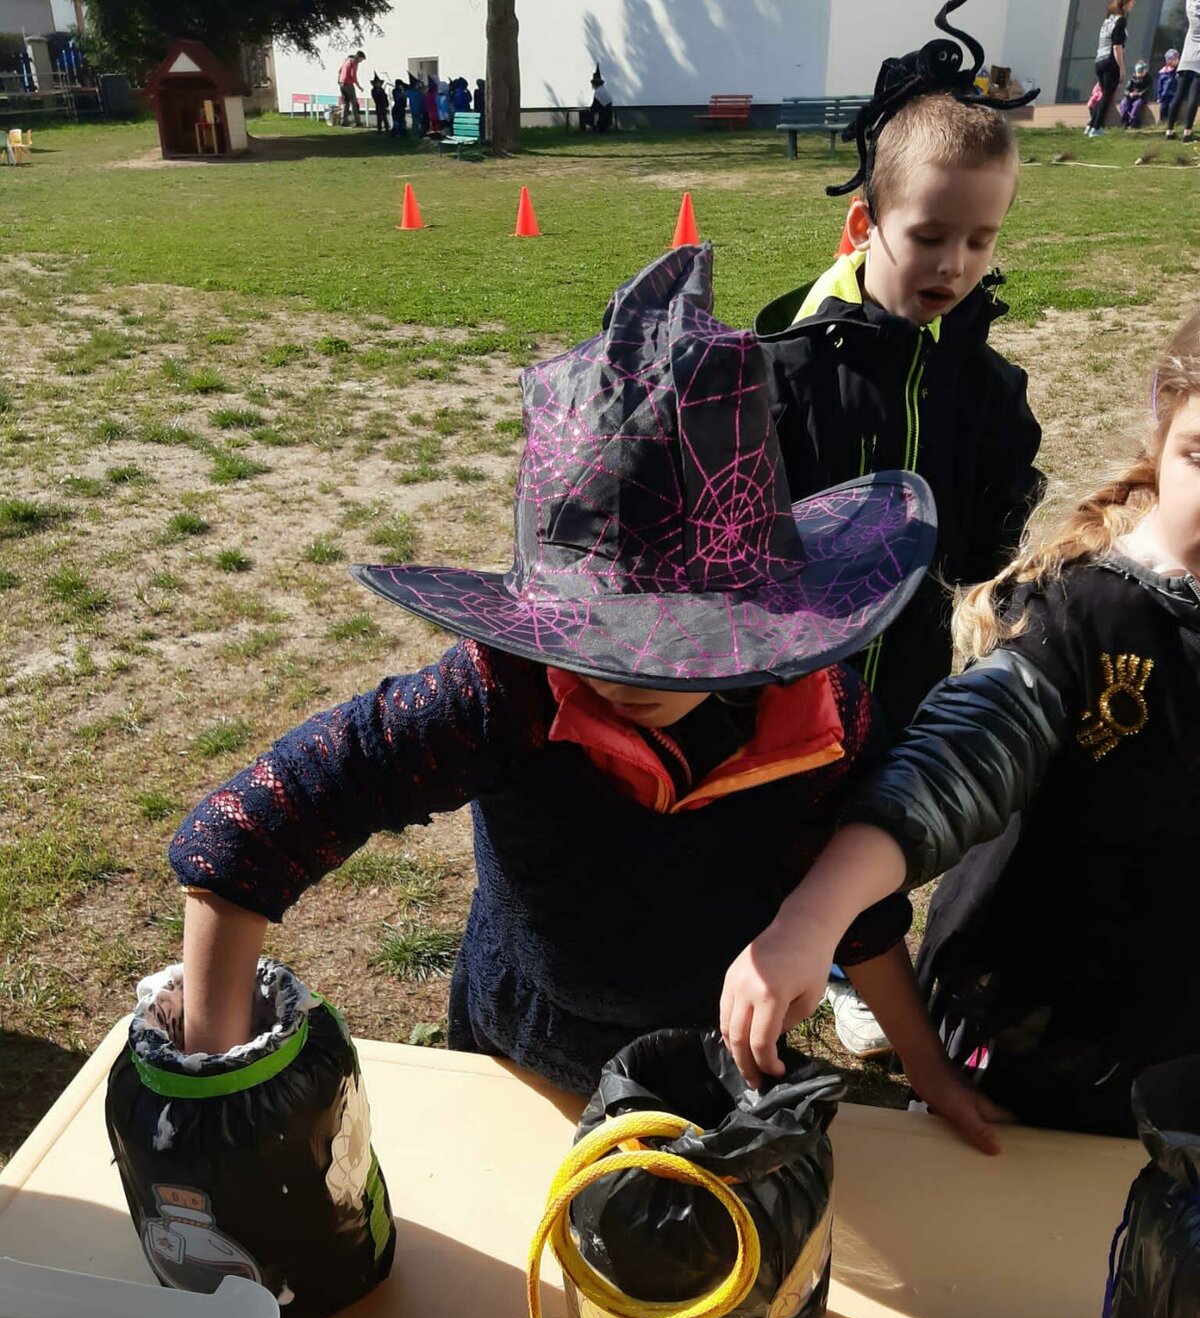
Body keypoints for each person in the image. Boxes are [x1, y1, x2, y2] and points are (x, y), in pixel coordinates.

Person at [167, 246, 935, 1103]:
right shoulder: (503, 692)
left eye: (673, 640)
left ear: (756, 617)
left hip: (709, 1071)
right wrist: (213, 1082)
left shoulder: (823, 724)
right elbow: (251, 830)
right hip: (519, 1059)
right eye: (589, 634)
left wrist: (930, 1071)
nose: (621, 672)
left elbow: (860, 913)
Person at [721, 306, 1200, 1144]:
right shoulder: (1081, 616)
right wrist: (811, 918)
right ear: (1163, 433)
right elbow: (957, 757)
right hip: (1031, 1036)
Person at [754, 0, 1044, 1058]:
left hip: (909, 671)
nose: (955, 262)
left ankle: (852, 964)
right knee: (762, 823)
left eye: (980, 238)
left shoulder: (992, 390)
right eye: (929, 235)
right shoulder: (784, 372)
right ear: (864, 224)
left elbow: (994, 543)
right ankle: (746, 946)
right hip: (784, 676)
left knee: (878, 820)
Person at [1087, 0, 1134, 137]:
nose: (1133, 5)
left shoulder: (1108, 20)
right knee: (1107, 96)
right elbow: (1117, 46)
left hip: (1099, 61)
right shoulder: (1120, 21)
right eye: (1131, 3)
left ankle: (1091, 125)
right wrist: (1121, 68)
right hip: (1110, 62)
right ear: (1124, 4)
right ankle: (1096, 128)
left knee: (1104, 95)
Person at [1165, 0, 1200, 140]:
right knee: (1194, 96)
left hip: (1185, 60)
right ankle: (1187, 131)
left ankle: (1169, 130)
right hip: (1198, 62)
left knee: (1178, 95)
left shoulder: (1191, 8)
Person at [580, 65, 615, 132]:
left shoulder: (598, 92)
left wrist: (588, 109)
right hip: (607, 116)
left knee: (583, 114)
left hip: (601, 117)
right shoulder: (604, 90)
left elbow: (595, 106)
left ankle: (583, 130)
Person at [338, 50, 366, 128]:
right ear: (359, 57)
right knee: (354, 103)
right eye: (361, 59)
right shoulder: (354, 62)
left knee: (345, 103)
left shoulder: (346, 60)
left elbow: (340, 71)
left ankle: (344, 121)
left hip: (342, 83)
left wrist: (339, 80)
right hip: (348, 84)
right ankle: (358, 122)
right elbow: (353, 75)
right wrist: (359, 86)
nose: (361, 61)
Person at [1118, 59, 1151, 125]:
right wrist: (1129, 94)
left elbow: (1148, 89)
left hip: (1141, 97)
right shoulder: (1132, 79)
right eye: (1138, 72)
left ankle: (1133, 120)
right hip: (1132, 96)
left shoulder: (1148, 79)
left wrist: (1140, 93)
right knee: (1123, 103)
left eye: (1142, 72)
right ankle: (1125, 119)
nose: (1140, 74)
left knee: (1136, 105)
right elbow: (1126, 89)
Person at [1156, 47, 1180, 124]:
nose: (1177, 60)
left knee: (1172, 107)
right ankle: (1162, 121)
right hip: (1164, 95)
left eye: (1177, 58)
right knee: (1163, 108)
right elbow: (1159, 85)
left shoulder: (1178, 72)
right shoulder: (1163, 73)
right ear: (1169, 60)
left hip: (1174, 94)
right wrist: (1159, 96)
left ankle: (1173, 121)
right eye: (1174, 59)